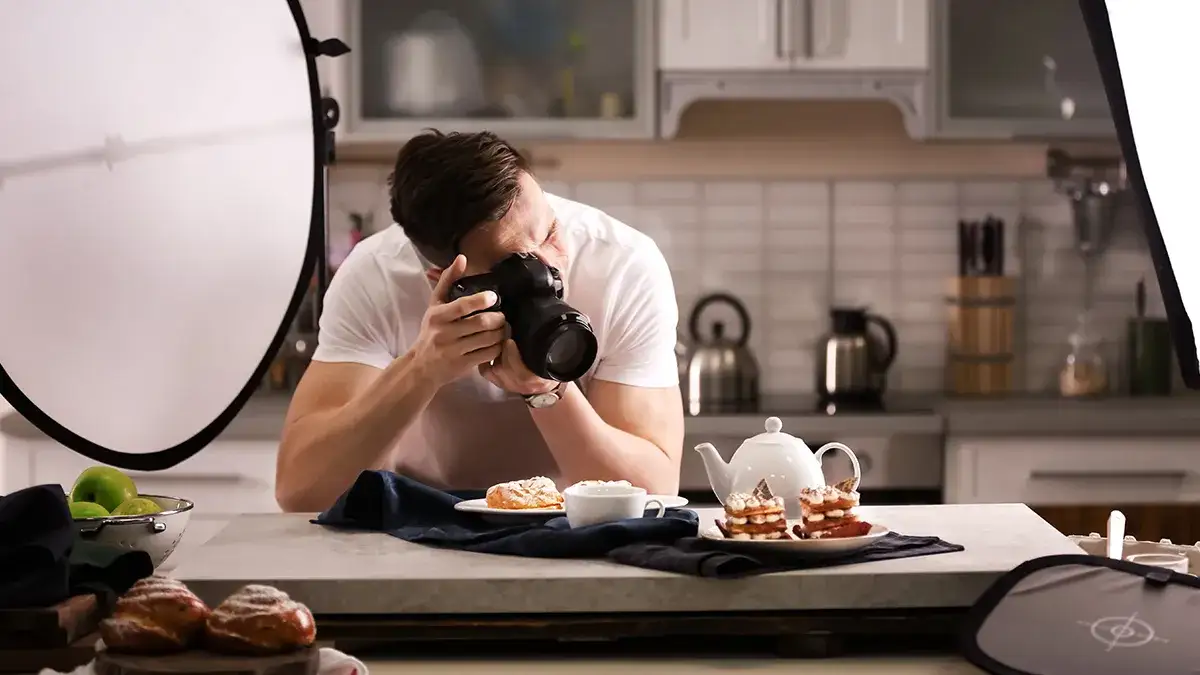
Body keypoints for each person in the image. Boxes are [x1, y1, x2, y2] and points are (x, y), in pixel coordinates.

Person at [274, 130, 684, 512]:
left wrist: (548, 390)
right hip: (419, 521)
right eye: (515, 265)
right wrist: (422, 368)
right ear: (445, 279)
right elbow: (302, 490)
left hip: (572, 527)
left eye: (549, 232)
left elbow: (653, 491)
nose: (550, 269)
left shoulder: (623, 265)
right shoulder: (377, 275)